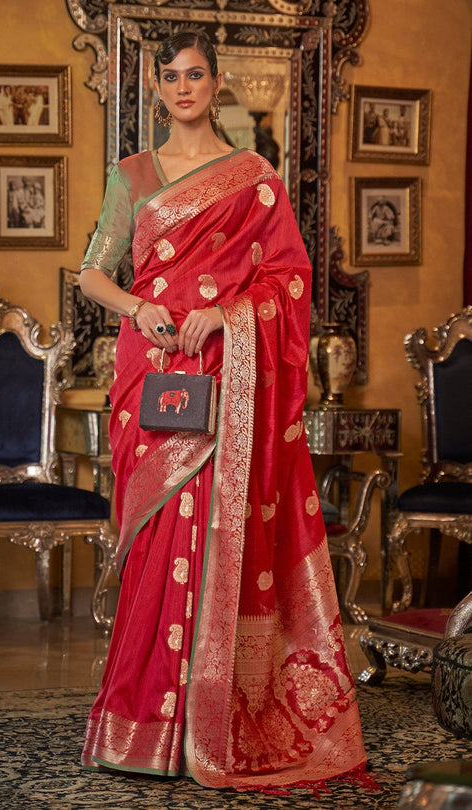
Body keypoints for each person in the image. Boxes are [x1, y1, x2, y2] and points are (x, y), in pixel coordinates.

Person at [79, 32, 372, 795]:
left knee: (213, 532)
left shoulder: (255, 180)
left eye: (195, 74)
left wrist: (228, 315)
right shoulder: (132, 175)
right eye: (170, 77)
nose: (183, 87)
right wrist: (138, 307)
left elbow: (291, 280)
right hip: (153, 373)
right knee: (157, 537)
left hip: (223, 371)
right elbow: (91, 274)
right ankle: (142, 723)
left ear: (216, 82)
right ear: (157, 87)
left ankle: (209, 723)